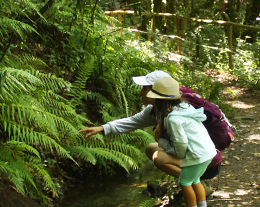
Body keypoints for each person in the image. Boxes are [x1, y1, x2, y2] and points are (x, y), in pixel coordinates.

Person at [79, 70, 213, 184]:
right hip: (198, 155)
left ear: (156, 93)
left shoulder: (175, 116)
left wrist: (160, 140)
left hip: (203, 160)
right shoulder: (157, 111)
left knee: (158, 157)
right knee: (151, 149)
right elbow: (131, 122)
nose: (141, 92)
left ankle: (195, 184)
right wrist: (102, 128)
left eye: (144, 88)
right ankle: (194, 183)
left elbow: (181, 148)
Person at [145, 76, 216, 207]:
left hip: (196, 155)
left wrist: (161, 141)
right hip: (208, 153)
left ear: (160, 101)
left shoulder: (173, 119)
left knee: (185, 182)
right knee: (195, 180)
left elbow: (181, 144)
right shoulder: (186, 109)